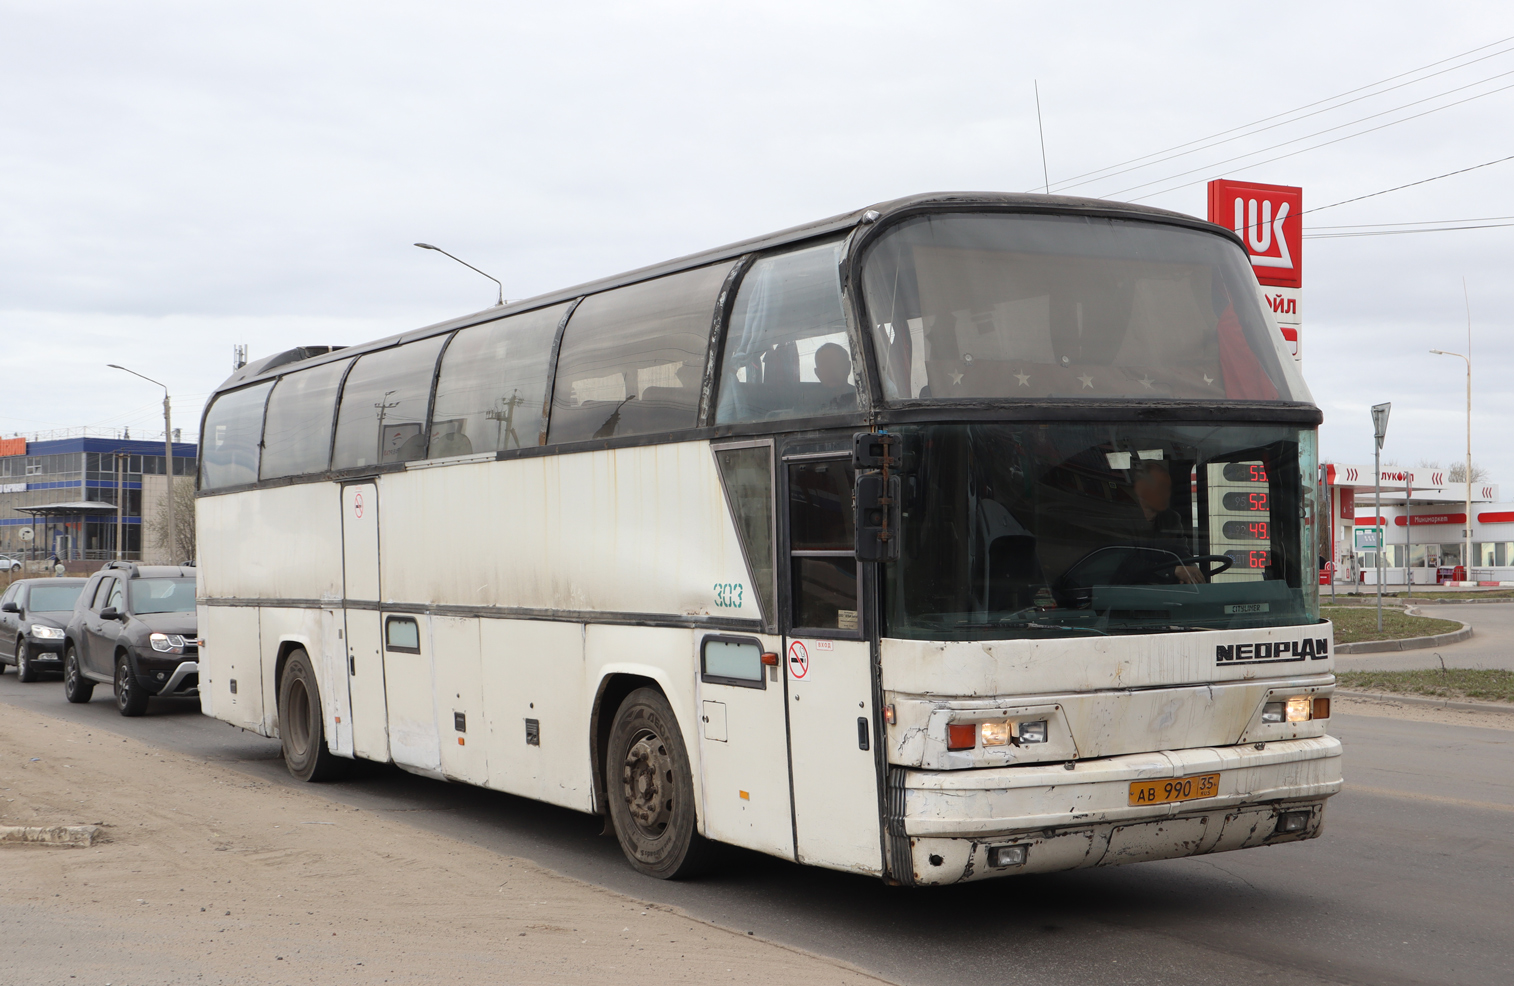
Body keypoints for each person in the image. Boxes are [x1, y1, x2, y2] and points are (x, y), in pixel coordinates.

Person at [1128, 459, 1203, 584]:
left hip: (1165, 592)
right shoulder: (1125, 518)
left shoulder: (1171, 518)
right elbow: (1127, 563)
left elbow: (1182, 553)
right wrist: (1173, 571)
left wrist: (1191, 571)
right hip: (1129, 592)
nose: (1166, 493)